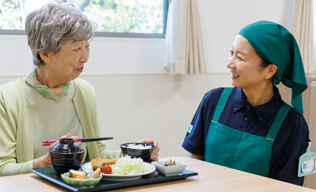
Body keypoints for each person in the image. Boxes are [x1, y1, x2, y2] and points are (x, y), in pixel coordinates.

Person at [0, 1, 159, 176]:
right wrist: (43, 162)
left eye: (87, 47)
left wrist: (131, 154)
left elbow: (98, 156)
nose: (85, 58)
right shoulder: (8, 97)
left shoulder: (84, 91)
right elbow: (3, 168)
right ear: (45, 54)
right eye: (76, 49)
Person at [182, 20, 310, 185]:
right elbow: (195, 156)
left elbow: (288, 187)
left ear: (270, 70)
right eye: (231, 52)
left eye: (240, 58)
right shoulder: (213, 100)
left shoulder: (292, 124)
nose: (229, 63)